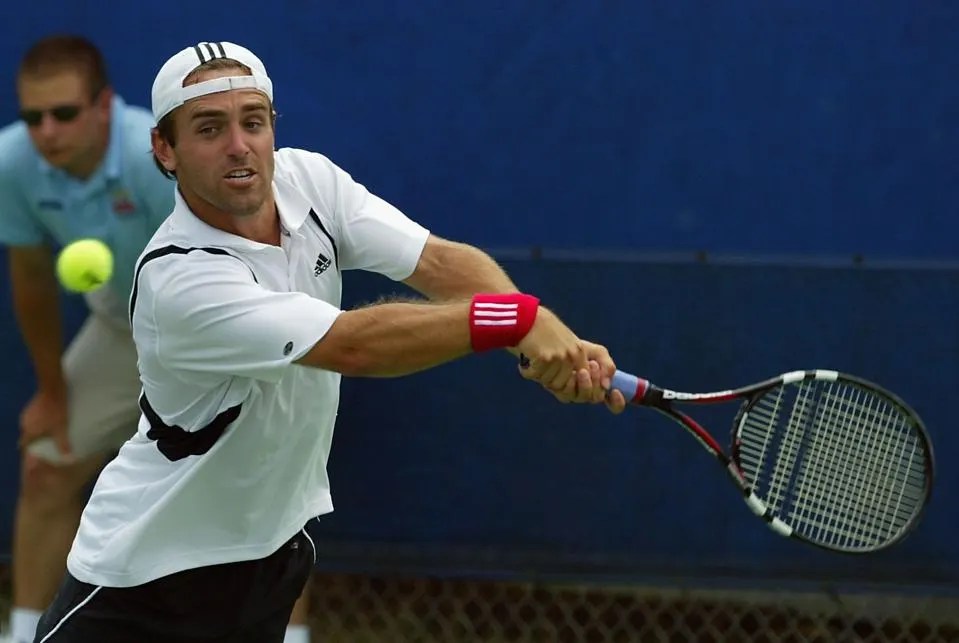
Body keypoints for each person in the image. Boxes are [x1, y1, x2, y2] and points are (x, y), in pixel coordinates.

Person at [33, 41, 625, 643]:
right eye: (209, 128)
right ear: (166, 150)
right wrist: (518, 320)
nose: (239, 145)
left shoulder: (308, 180)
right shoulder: (179, 277)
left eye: (253, 122)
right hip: (146, 580)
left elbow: (437, 262)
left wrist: (548, 341)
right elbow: (352, 347)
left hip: (268, 558)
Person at [0, 37, 316, 643]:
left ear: (103, 108)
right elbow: (31, 279)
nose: (47, 131)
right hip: (123, 332)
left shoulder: (167, 155)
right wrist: (51, 391)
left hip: (227, 327)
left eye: (63, 113)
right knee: (45, 463)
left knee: (265, 490)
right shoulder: (15, 165)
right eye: (32, 117)